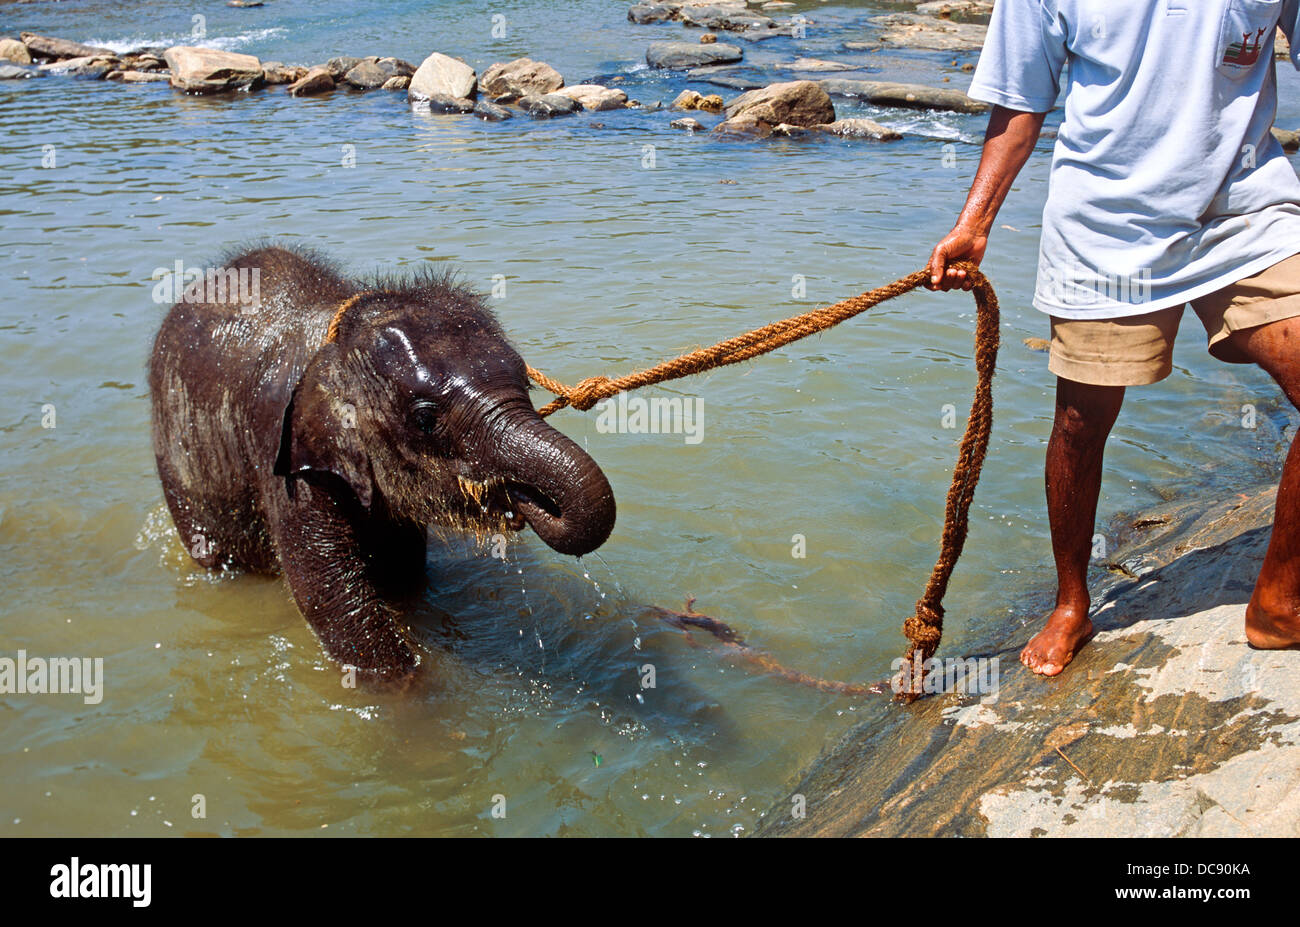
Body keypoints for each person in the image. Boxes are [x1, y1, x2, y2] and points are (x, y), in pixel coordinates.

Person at [928, 0, 1300, 675]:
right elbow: (1020, 102)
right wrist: (974, 223)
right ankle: (1072, 602)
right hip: (1106, 225)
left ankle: (1279, 601)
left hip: (1246, 212)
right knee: (1080, 422)